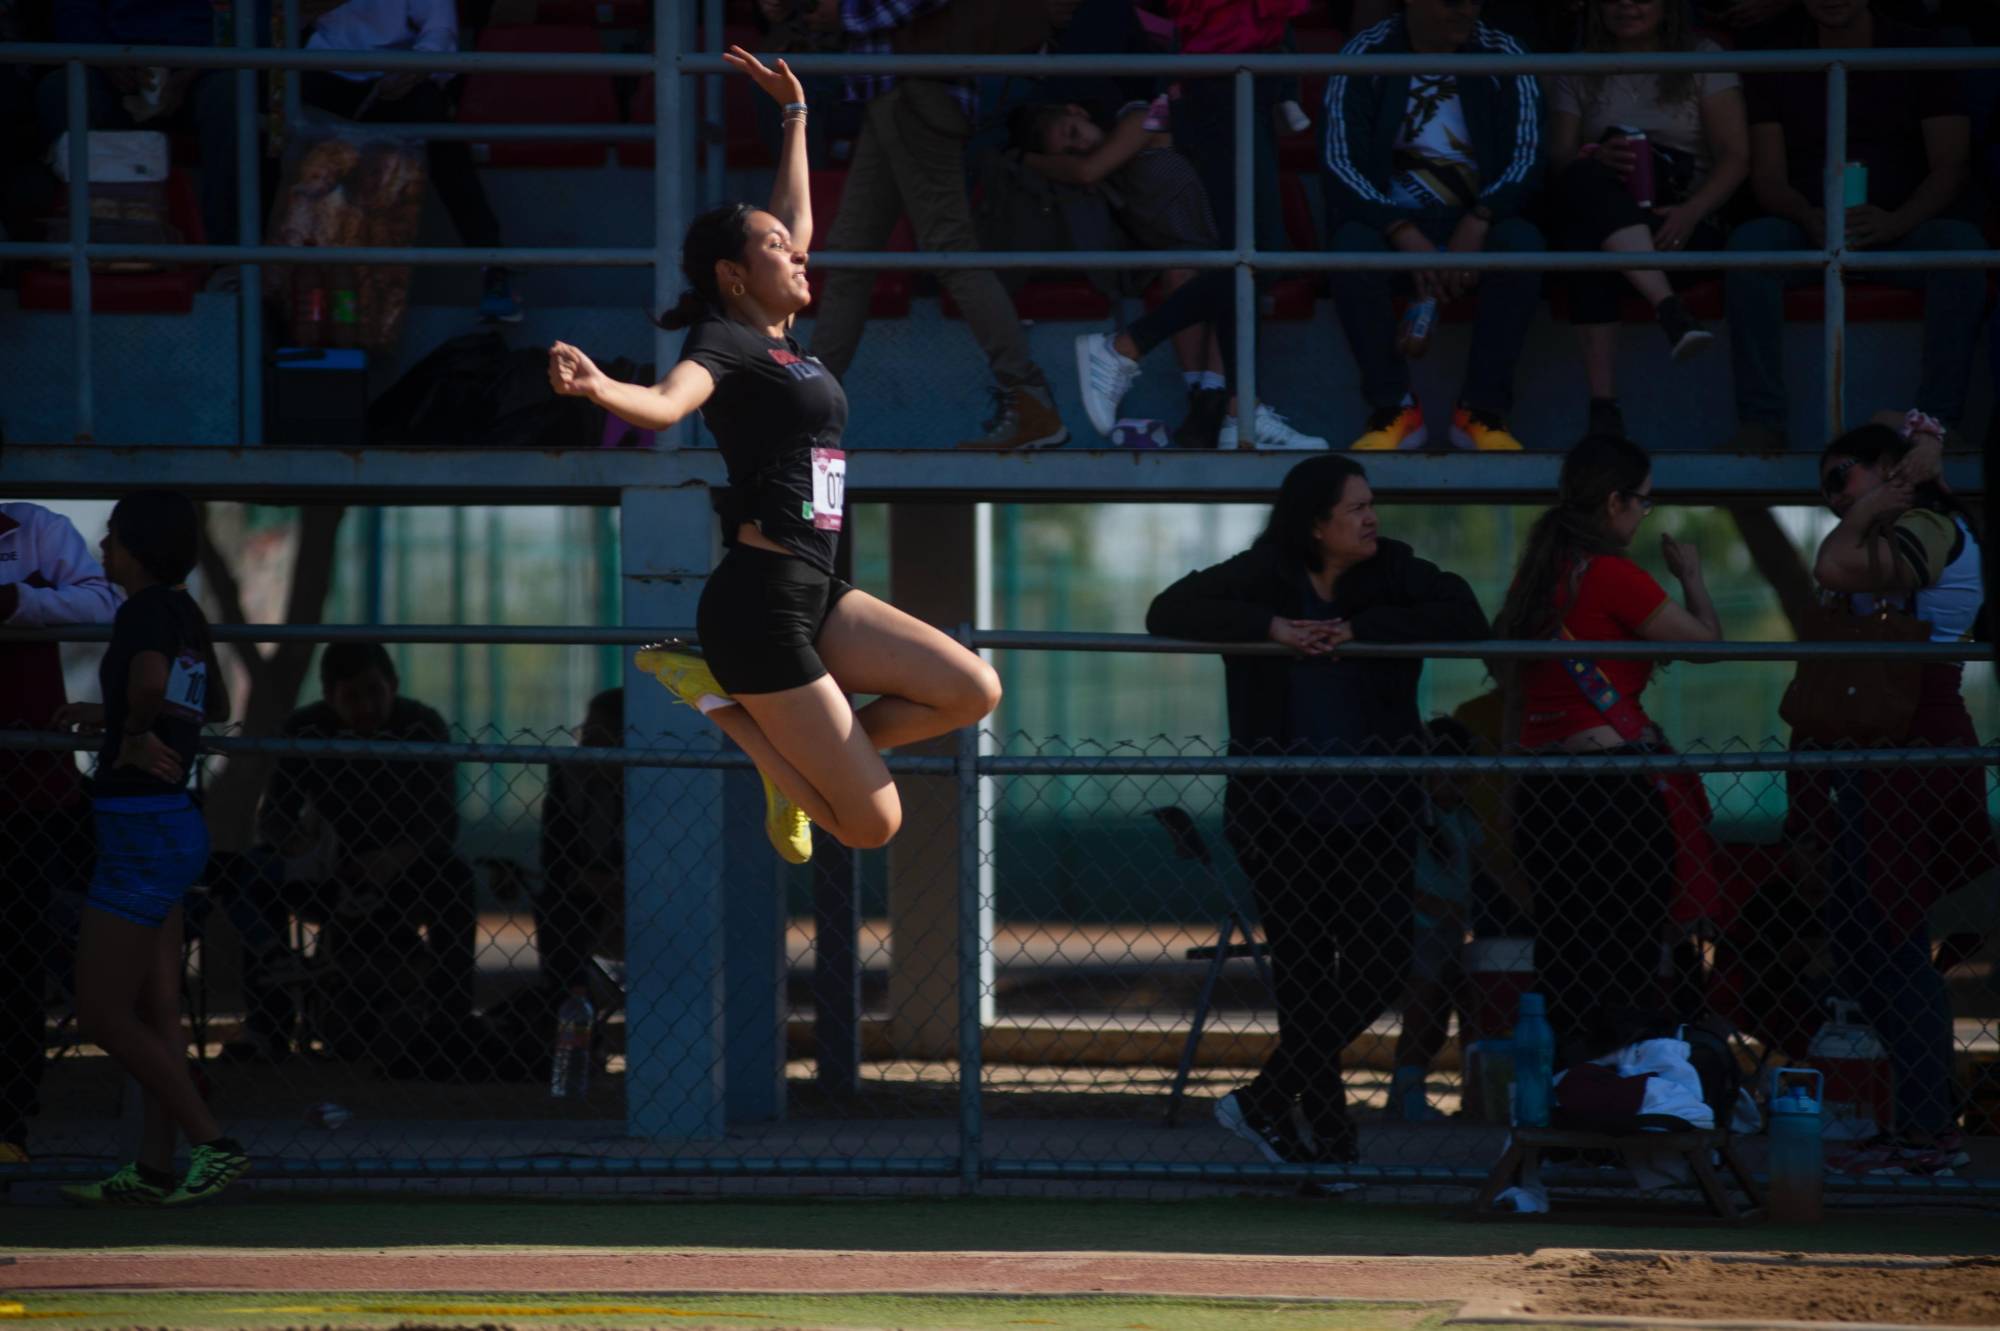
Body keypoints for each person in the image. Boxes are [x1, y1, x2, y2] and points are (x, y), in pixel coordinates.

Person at [547, 48, 1003, 865]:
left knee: (973, 688)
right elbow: (668, 404)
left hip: (815, 589)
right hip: (758, 604)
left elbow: (793, 218)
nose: (799, 255)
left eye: (794, 247)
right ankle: (731, 715)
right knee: (871, 825)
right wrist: (600, 386)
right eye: (777, 249)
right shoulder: (722, 340)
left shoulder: (780, 333)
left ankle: (798, 764)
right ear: (733, 275)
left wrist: (794, 114)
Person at [1146, 455, 1489, 1164]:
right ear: (1315, 523)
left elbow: (1467, 615)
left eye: (1371, 504)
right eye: (1356, 508)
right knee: (1304, 982)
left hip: (1378, 815)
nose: (1372, 518)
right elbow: (1167, 611)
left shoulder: (1393, 569)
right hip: (1281, 818)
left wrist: (1362, 629)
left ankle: (1264, 1100)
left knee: (1380, 967)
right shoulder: (1265, 572)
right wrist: (1270, 627)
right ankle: (1329, 1144)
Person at [1788, 413, 1986, 1175]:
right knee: (1862, 938)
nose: (1836, 496)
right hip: (1878, 748)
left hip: (1914, 744)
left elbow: (1832, 565)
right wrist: (1892, 478)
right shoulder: (1893, 527)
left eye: (1843, 478)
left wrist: (1888, 491)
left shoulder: (1928, 527)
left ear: (1886, 469)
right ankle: (1914, 1125)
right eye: (1827, 488)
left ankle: (1928, 1133)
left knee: (1895, 941)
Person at [1492, 435, 1721, 1067]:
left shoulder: (1537, 579)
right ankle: (1617, 1092)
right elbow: (1709, 644)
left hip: (1542, 791)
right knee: (1625, 952)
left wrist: (1511, 787)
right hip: (1613, 793)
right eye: (1643, 502)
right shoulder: (1614, 576)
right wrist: (1691, 576)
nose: (1644, 515)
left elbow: (1516, 696)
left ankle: (1565, 1093)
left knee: (1563, 952)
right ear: (1615, 501)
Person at [51, 491, 246, 1207]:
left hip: (138, 833)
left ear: (138, 547)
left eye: (112, 538)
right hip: (172, 824)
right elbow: (212, 703)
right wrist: (113, 718)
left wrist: (131, 735)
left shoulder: (140, 613)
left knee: (101, 1013)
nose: (103, 549)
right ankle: (154, 1167)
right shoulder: (184, 612)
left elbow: (153, 683)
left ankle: (213, 1144)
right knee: (159, 1009)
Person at [800, 1, 1071, 450]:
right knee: (850, 257)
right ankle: (809, 414)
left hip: (917, 92)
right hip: (895, 94)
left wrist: (843, 13)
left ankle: (1031, 401)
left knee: (949, 249)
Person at [1724, 0, 1982, 453]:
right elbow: (1768, 176)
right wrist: (1808, 216)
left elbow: (1950, 166)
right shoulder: (1777, 54)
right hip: (1808, 227)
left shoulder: (1919, 49)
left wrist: (1896, 222)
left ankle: (1934, 426)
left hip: (1903, 227)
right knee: (1750, 247)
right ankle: (1762, 423)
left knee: (1961, 248)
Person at [1017, 99, 1326, 450]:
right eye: (1070, 151)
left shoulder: (1138, 119)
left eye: (1073, 133)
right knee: (1182, 271)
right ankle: (1211, 404)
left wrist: (1025, 159)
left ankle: (1209, 396)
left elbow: (1087, 170)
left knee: (1238, 272)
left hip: (1227, 237)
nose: (1081, 145)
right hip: (1191, 253)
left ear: (1078, 111)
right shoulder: (1108, 175)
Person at [1324, 0, 1549, 453]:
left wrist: (1481, 216)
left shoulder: (1504, 53)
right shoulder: (1366, 53)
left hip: (1477, 220)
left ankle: (1480, 411)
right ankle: (1395, 409)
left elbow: (1528, 156)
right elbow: (1340, 162)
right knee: (1350, 247)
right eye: (1450, 0)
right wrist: (1399, 228)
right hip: (1391, 222)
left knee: (1523, 243)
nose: (1465, 9)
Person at [245, 641, 476, 1059]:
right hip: (328, 871)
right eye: (352, 697)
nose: (367, 707)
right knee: (254, 874)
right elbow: (274, 816)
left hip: (406, 872)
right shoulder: (307, 729)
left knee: (456, 878)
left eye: (375, 692)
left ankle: (449, 1025)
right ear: (329, 696)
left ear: (393, 686)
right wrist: (300, 845)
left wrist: (394, 858)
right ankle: (270, 1027)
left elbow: (442, 824)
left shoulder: (420, 727)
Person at [1547, 0, 1748, 439]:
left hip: (1682, 221)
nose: (1626, 5)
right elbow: (1558, 160)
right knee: (1584, 201)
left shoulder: (1703, 56)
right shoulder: (1578, 65)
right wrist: (1595, 155)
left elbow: (1735, 156)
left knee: (1588, 243)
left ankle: (1604, 407)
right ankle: (1669, 308)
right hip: (1605, 210)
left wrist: (1692, 211)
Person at [0, 502, 120, 1166]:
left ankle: (9, 1123)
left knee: (16, 956)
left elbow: (103, 603)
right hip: (30, 781)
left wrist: (17, 602)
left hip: (27, 790)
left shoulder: (38, 530)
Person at [300, 0, 519, 322]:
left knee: (440, 133)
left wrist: (414, 68)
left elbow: (440, 30)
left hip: (398, 80)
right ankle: (253, 267)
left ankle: (493, 265)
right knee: (265, 117)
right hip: (322, 75)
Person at [35, 0, 245, 248]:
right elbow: (74, 13)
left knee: (233, 95)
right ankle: (89, 245)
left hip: (205, 68)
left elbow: (252, 21)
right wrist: (107, 58)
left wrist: (198, 67)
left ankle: (228, 252)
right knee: (63, 91)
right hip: (112, 66)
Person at [1386, 716, 1483, 1122]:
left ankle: (1427, 1091)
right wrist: (1440, 907)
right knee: (1422, 1009)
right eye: (1450, 776)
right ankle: (1406, 1094)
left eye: (1465, 778)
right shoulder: (1409, 819)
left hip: (1449, 931)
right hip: (1417, 931)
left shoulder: (1461, 818)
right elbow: (1396, 882)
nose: (1458, 787)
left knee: (1449, 1012)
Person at [537, 687, 624, 994]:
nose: (586, 744)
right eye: (585, 734)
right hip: (589, 897)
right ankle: (569, 1001)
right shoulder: (572, 780)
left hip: (642, 898)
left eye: (598, 735)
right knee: (556, 906)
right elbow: (554, 858)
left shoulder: (656, 785)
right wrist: (591, 881)